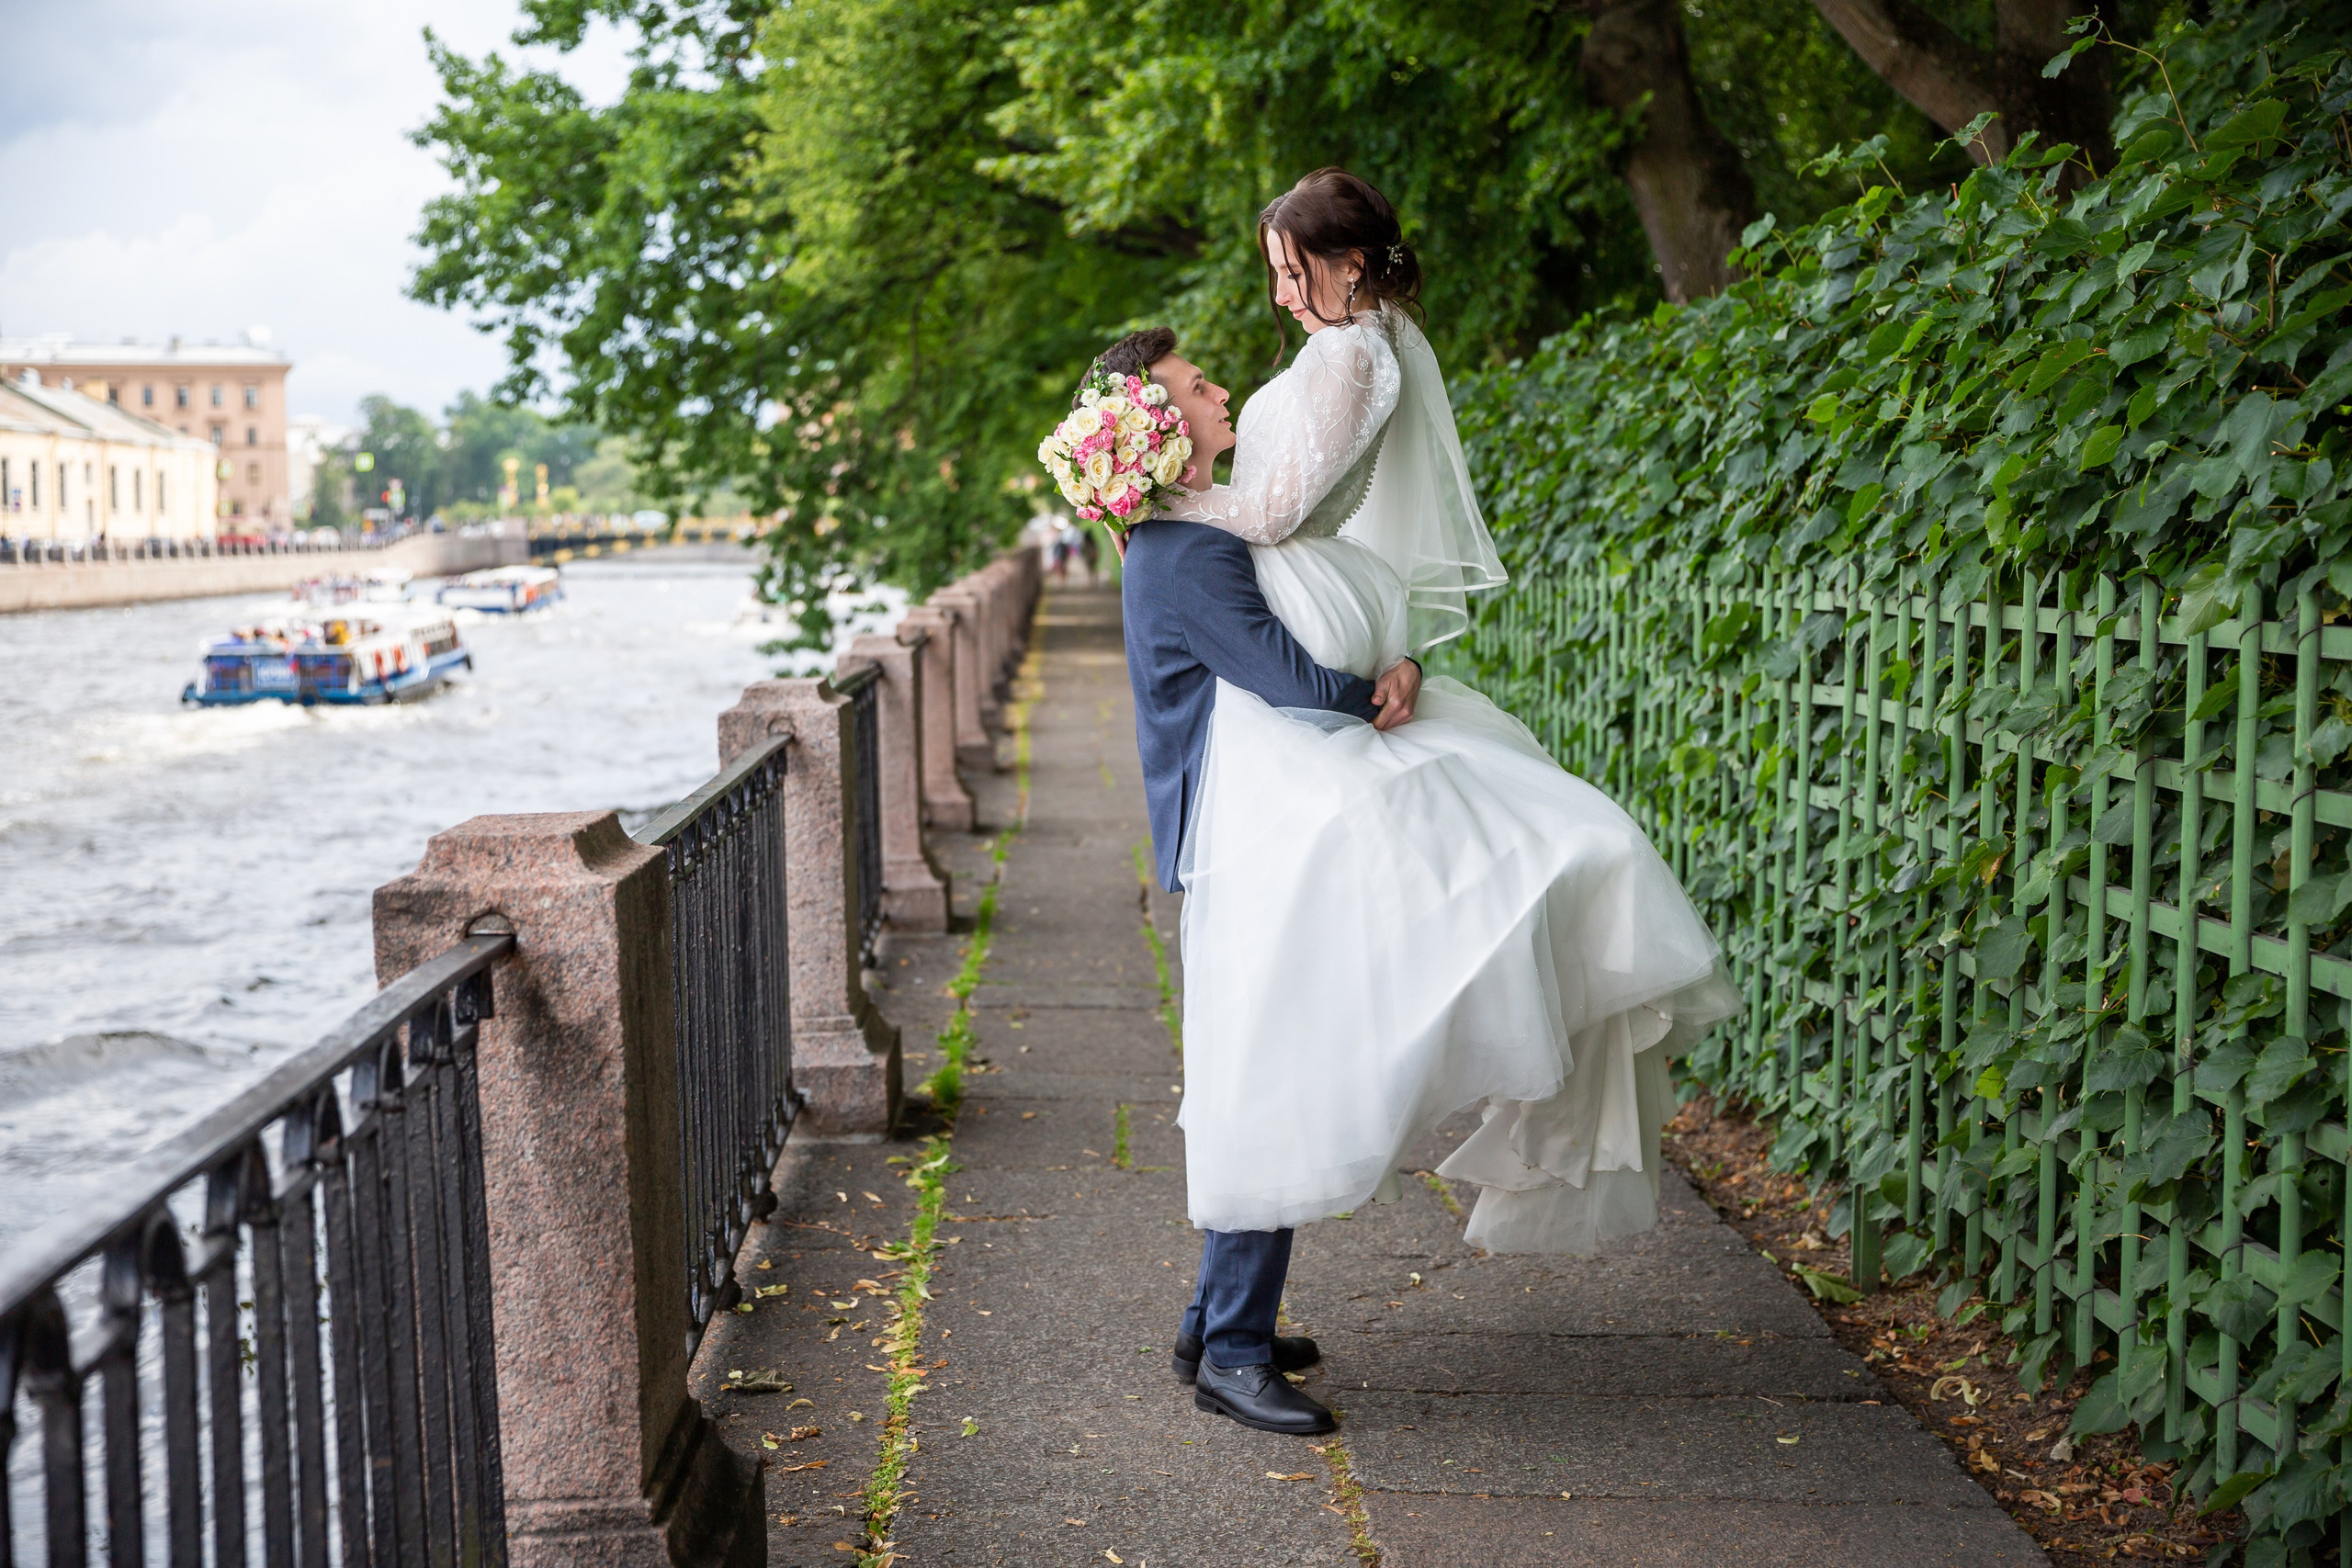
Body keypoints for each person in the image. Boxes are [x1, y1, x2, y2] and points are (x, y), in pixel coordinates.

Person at [1107, 168, 1739, 1431]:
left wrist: (1365, 666)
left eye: (1293, 269)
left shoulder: (1325, 386)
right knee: (1285, 1046)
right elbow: (1280, 647)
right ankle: (1226, 1340)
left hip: (1296, 756)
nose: (1269, 311)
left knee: (1302, 1028)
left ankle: (1218, 1327)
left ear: (1346, 264)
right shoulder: (1186, 535)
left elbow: (1281, 526)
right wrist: (1362, 672)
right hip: (1274, 774)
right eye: (1194, 390)